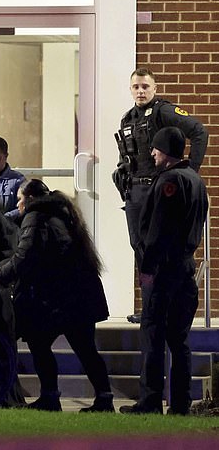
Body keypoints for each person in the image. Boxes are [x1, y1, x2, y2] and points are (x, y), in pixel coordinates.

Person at [0, 179, 113, 412]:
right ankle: (104, 398)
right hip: (77, 295)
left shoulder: (36, 217)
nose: (19, 205)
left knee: (39, 344)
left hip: (57, 299)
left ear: (31, 199)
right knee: (85, 349)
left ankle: (50, 396)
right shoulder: (62, 214)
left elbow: (25, 255)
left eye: (20, 199)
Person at [119, 127, 208, 416]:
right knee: (179, 338)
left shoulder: (169, 181)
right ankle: (180, 402)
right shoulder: (195, 180)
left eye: (156, 148)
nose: (152, 153)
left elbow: (159, 230)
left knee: (153, 335)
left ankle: (150, 400)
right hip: (185, 268)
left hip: (164, 270)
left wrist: (147, 269)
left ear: (166, 151)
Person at [112, 68, 207, 323]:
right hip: (134, 192)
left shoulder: (163, 111)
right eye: (136, 87)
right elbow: (129, 154)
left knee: (160, 249)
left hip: (158, 191)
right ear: (130, 89)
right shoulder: (128, 118)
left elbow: (199, 131)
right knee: (141, 250)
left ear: (155, 88)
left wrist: (190, 173)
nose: (140, 91)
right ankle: (151, 307)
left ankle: (164, 308)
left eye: (145, 86)